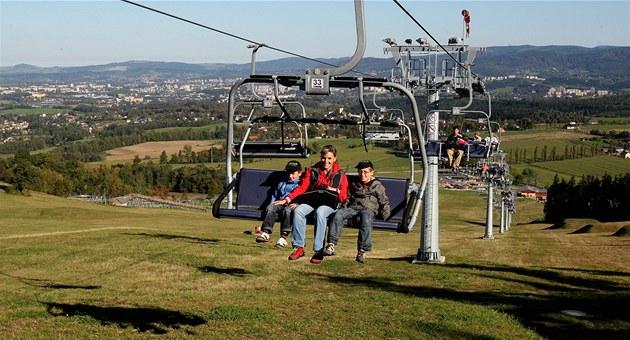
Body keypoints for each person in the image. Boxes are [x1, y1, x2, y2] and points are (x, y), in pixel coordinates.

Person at [275, 145, 348, 264]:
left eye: (329, 158)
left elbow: (344, 195)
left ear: (334, 158)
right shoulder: (312, 171)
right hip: (312, 201)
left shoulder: (340, 175)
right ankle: (299, 247)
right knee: (298, 211)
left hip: (329, 204)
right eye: (324, 158)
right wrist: (287, 199)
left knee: (320, 213)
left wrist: (334, 190)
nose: (326, 161)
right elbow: (302, 188)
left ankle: (318, 250)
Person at [323, 160, 390, 263]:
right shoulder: (355, 184)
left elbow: (384, 201)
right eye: (360, 172)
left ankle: (362, 250)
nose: (362, 175)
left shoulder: (377, 186)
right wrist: (344, 206)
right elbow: (348, 197)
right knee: (338, 214)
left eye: (365, 172)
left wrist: (386, 215)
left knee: (366, 218)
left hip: (368, 208)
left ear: (372, 172)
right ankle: (331, 245)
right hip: (353, 208)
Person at [255, 160, 302, 248]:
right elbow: (275, 194)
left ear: (299, 173)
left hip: (291, 204)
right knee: (270, 208)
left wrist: (297, 204)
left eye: (293, 173)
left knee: (287, 211)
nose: (290, 175)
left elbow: (302, 196)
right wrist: (272, 202)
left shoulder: (300, 184)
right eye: (288, 173)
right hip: (280, 202)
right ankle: (266, 233)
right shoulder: (282, 182)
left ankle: (283, 237)